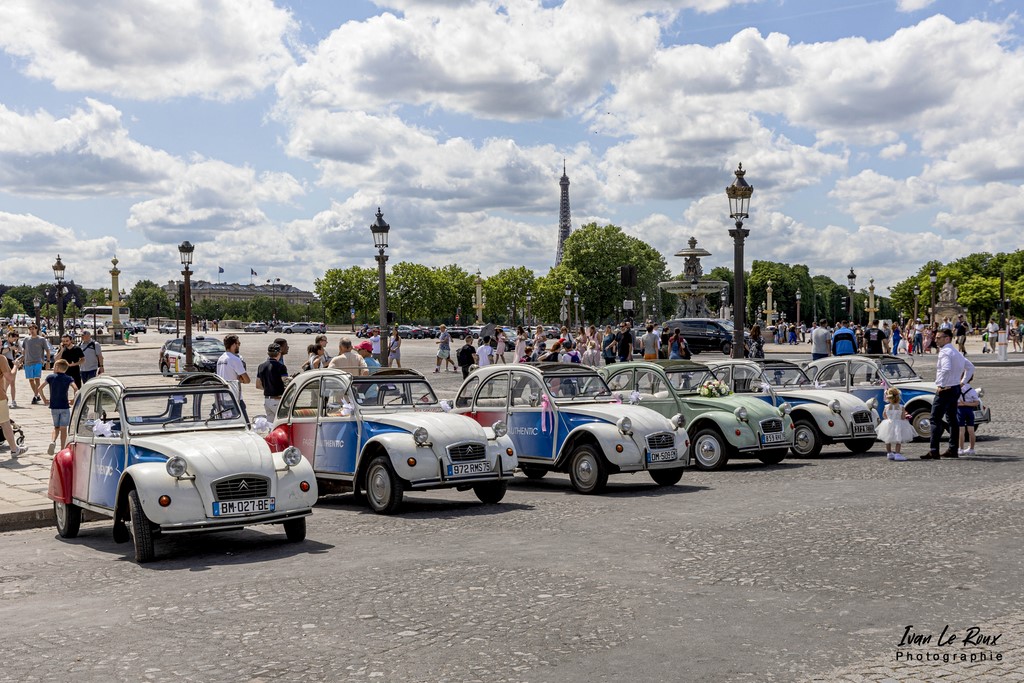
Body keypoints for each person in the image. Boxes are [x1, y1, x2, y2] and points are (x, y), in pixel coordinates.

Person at [922, 328, 974, 460]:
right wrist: (963, 382)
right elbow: (971, 367)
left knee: (935, 419)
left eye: (939, 338)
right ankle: (953, 449)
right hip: (955, 388)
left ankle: (934, 450)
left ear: (947, 338)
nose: (936, 340)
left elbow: (945, 369)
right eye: (936, 337)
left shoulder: (945, 352)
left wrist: (942, 385)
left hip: (946, 389)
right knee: (952, 419)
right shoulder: (956, 353)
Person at [40, 359, 77, 454]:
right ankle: (62, 449)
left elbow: (40, 388)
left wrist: (44, 399)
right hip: (64, 406)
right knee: (63, 429)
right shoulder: (69, 378)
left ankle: (52, 441)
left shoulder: (50, 377)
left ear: (56, 368)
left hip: (54, 406)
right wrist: (73, 399)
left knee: (56, 427)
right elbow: (76, 388)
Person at [216, 335, 250, 421]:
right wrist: (240, 379)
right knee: (244, 424)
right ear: (234, 345)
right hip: (234, 397)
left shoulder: (220, 359)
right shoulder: (234, 359)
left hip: (222, 397)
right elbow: (247, 380)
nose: (239, 346)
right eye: (238, 343)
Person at [876, 386, 913, 461]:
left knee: (888, 439)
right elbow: (902, 417)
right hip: (898, 424)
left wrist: (889, 418)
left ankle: (889, 453)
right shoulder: (901, 407)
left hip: (888, 423)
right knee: (898, 439)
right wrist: (906, 416)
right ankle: (897, 454)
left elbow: (884, 415)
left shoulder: (886, 406)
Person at [256, 342, 289, 420]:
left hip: (267, 400)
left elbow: (258, 385)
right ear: (279, 353)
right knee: (282, 422)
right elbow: (285, 382)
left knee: (270, 425)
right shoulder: (281, 367)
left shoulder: (261, 366)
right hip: (277, 399)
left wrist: (269, 387)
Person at [22, 324, 51, 404]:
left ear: (36, 329)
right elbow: (24, 350)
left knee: (37, 378)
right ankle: (37, 395)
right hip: (28, 362)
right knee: (31, 380)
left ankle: (35, 395)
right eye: (30, 329)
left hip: (38, 361)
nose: (32, 330)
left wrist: (47, 361)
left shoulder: (42, 339)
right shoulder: (26, 339)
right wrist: (22, 359)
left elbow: (47, 350)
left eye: (33, 328)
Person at [0, 354, 22, 457]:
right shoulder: (1, 358)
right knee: (5, 423)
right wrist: (16, 366)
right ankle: (14, 449)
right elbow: (10, 378)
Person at [957, 375, 980, 456]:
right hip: (969, 410)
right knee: (971, 430)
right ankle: (972, 449)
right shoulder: (972, 390)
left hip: (960, 410)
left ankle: (961, 449)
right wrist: (967, 403)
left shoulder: (958, 389)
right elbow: (977, 402)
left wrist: (962, 403)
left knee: (961, 430)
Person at [1, 331, 21, 409]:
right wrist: (10, 348)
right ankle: (4, 398)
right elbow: (3, 351)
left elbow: (17, 352)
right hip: (5, 363)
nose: (14, 339)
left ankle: (13, 400)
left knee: (12, 382)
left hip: (11, 362)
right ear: (8, 337)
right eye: (13, 337)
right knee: (5, 383)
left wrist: (16, 350)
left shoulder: (14, 344)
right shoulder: (5, 343)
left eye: (15, 337)